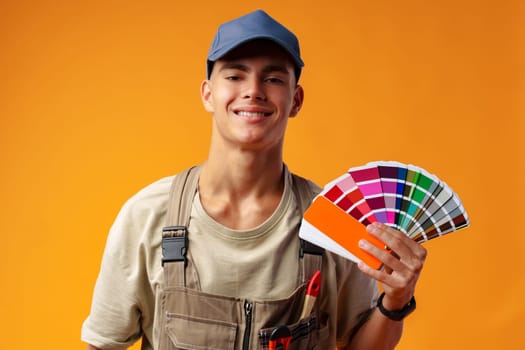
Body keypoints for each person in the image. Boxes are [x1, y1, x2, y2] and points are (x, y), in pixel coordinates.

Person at [82, 9, 426, 350]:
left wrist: (396, 300)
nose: (253, 91)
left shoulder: (332, 222)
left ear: (296, 100)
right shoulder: (147, 216)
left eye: (273, 79)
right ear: (207, 94)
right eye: (235, 76)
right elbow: (103, 344)